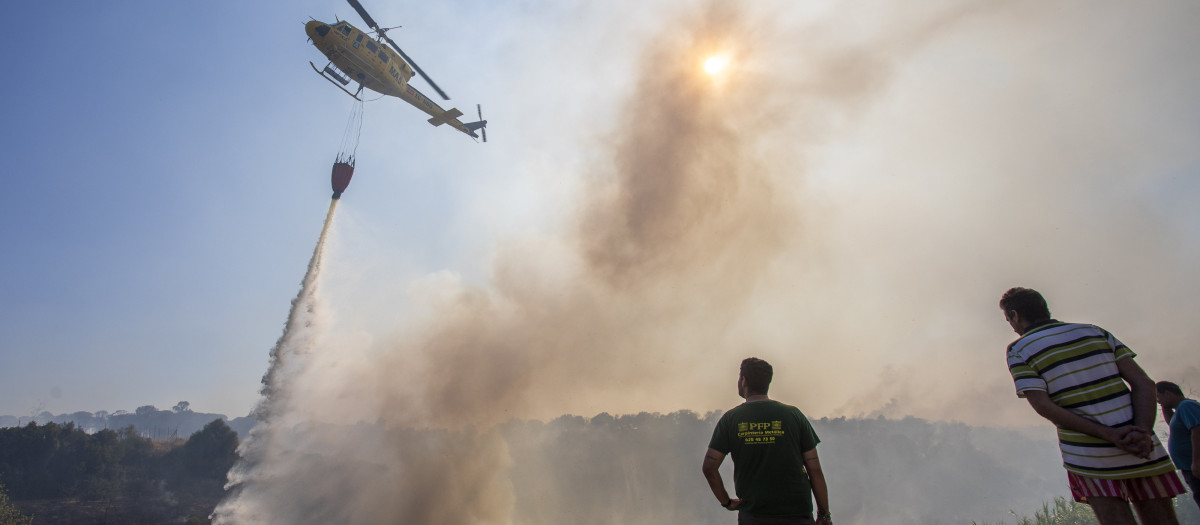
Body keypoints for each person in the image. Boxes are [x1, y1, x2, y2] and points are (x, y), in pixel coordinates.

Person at [1001, 287, 1185, 525]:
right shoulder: (1095, 332)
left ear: (1015, 315)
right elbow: (1144, 383)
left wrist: (1109, 434)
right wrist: (1142, 430)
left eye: (1008, 320)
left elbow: (1044, 406)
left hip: (1089, 455)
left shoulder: (1019, 349)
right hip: (1141, 445)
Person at [702, 357, 832, 525]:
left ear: (744, 381)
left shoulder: (731, 419)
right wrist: (824, 514)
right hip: (797, 516)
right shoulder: (793, 415)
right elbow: (814, 468)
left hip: (754, 516)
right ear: (768, 382)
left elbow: (709, 467)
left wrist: (726, 502)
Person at [1156, 381, 1200, 509]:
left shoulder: (1187, 406)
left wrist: (1197, 461)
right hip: (1189, 467)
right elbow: (1172, 424)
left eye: (1158, 396)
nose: (1158, 402)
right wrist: (1165, 407)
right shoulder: (1180, 410)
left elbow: (1197, 430)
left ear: (1168, 393)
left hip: (1195, 466)